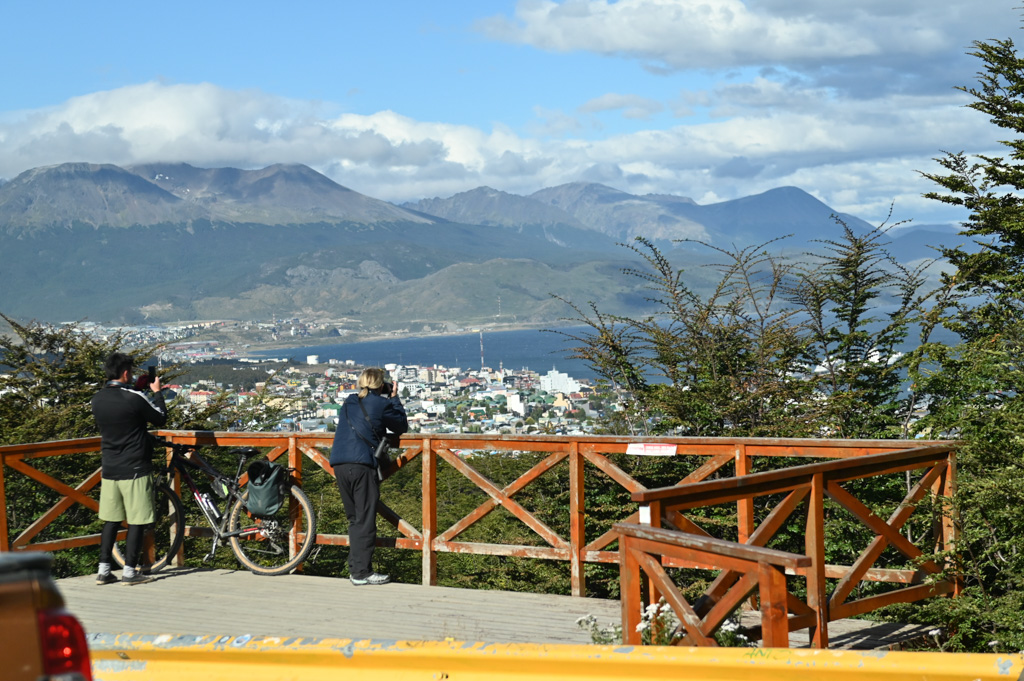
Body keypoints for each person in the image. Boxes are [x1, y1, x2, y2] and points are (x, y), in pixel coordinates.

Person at [91, 353, 167, 585]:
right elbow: (160, 419)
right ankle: (130, 572)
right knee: (137, 520)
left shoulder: (97, 399)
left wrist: (136, 390)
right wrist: (156, 391)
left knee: (111, 521)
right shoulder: (134, 398)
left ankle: (104, 570)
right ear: (126, 373)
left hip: (110, 467)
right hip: (135, 466)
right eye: (131, 373)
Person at [329, 367, 408, 585]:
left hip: (340, 463)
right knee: (365, 520)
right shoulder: (382, 404)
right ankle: (362, 573)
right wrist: (394, 398)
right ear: (381, 385)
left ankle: (356, 570)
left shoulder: (349, 401)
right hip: (362, 464)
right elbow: (401, 425)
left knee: (355, 519)